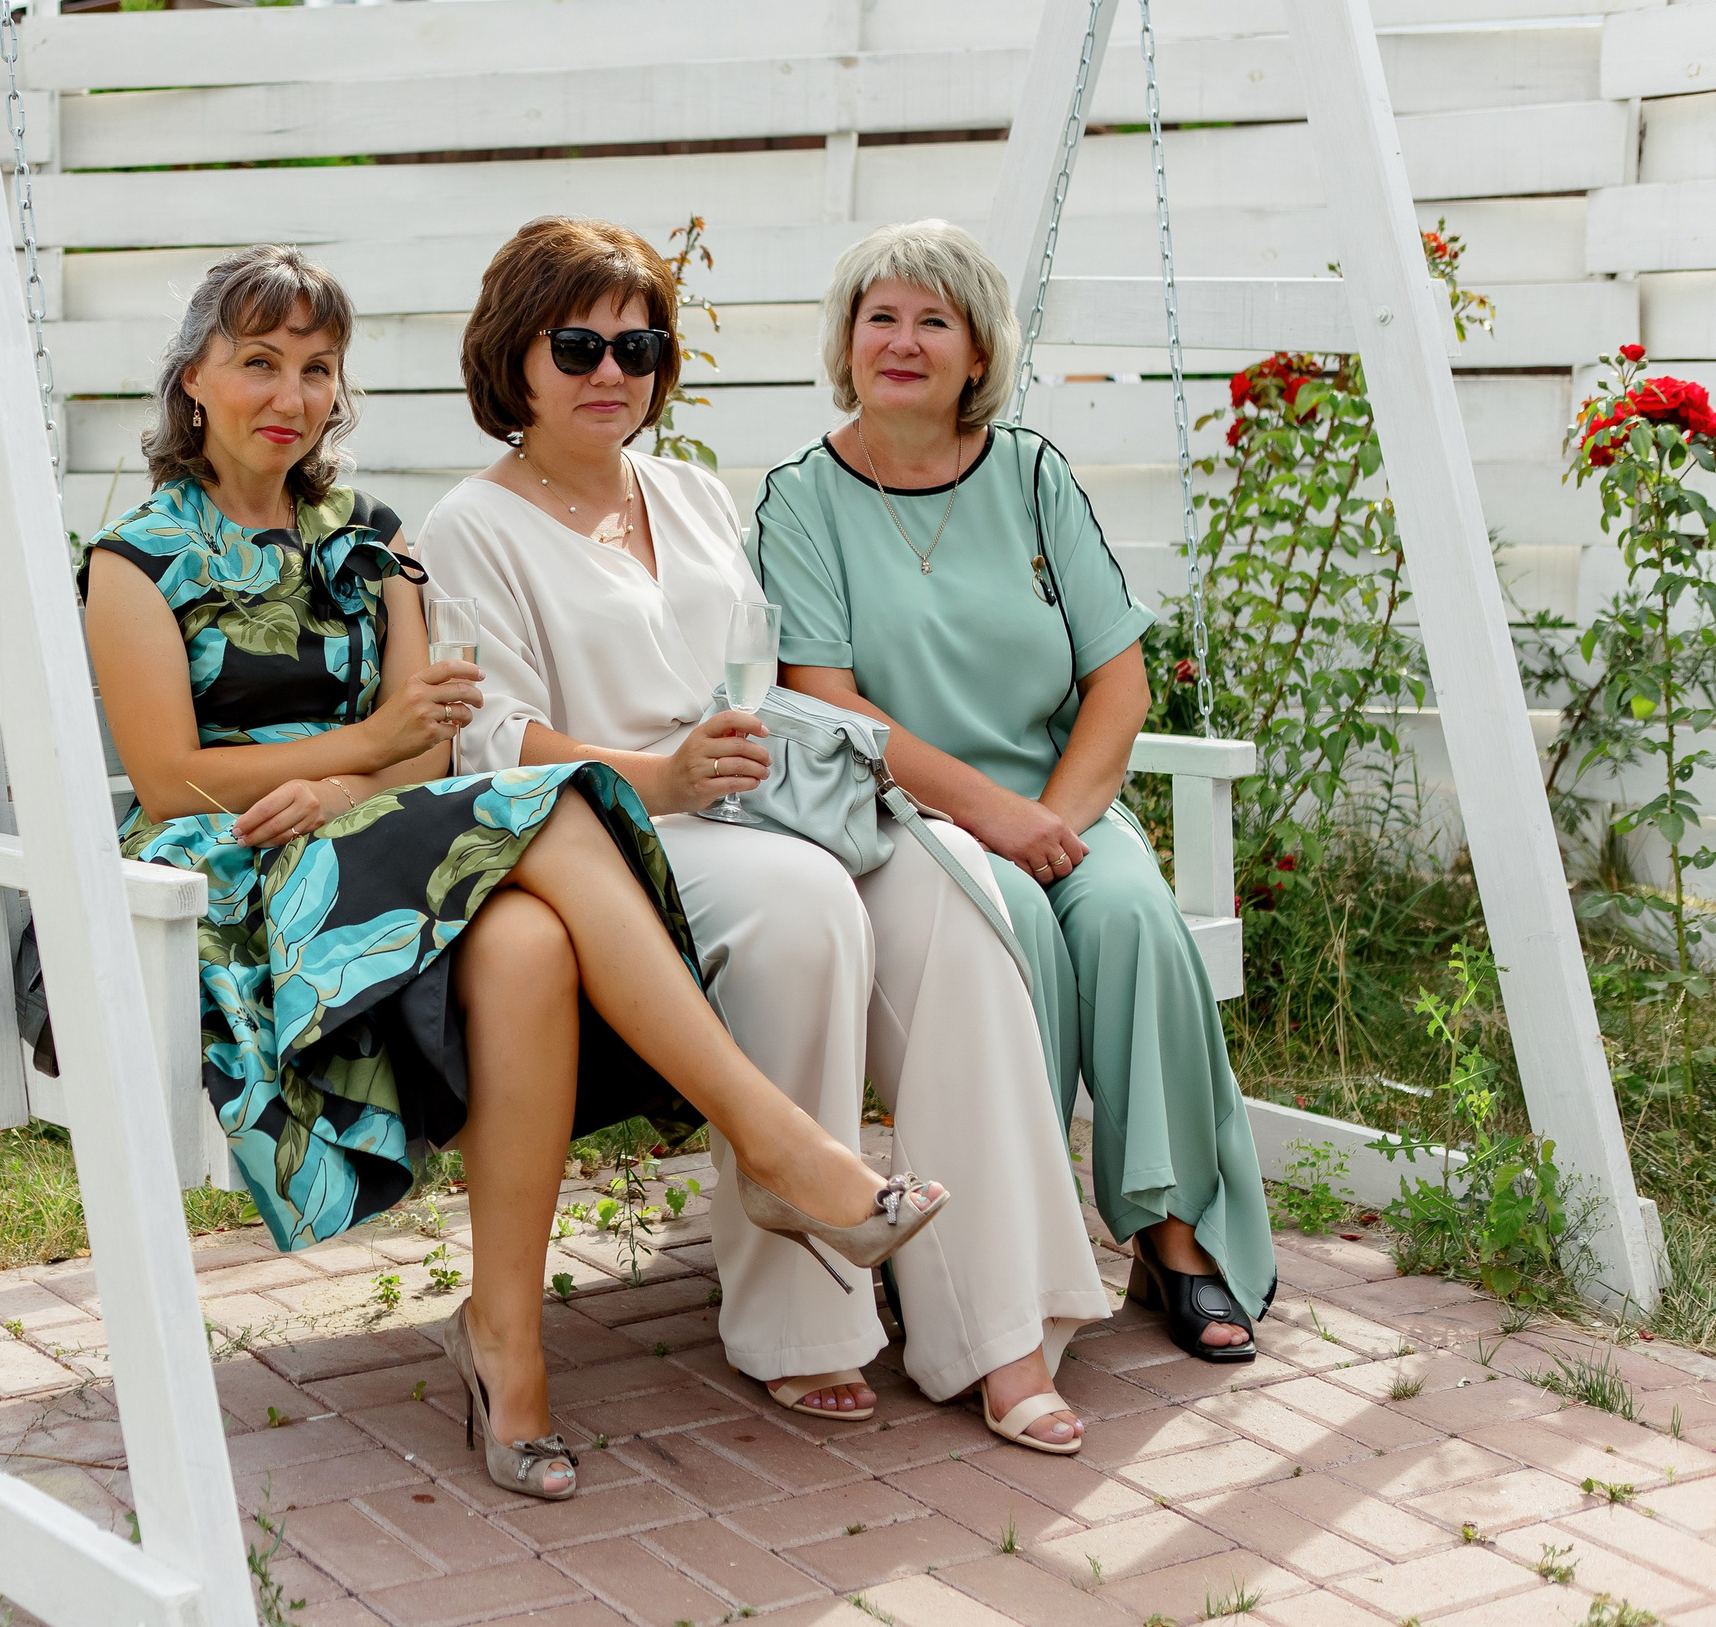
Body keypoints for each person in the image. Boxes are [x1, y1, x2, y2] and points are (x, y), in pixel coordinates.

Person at [83, 244, 945, 1504]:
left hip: (381, 833)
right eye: (258, 362)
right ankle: (774, 1144)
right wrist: (365, 754)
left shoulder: (371, 543)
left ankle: (505, 1338)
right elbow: (171, 779)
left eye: (317, 368)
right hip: (241, 867)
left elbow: (430, 746)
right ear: (193, 380)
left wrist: (360, 778)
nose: (291, 394)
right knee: (558, 800)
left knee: (532, 939)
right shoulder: (133, 560)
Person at [416, 218, 1106, 1453]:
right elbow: (490, 741)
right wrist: (663, 773)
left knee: (955, 888)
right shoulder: (469, 524)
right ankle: (800, 1320)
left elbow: (759, 674)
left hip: (755, 797)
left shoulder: (688, 493)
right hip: (609, 827)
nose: (610, 372)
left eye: (638, 347)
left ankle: (998, 1325)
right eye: (577, 346)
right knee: (802, 905)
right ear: (513, 354)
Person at [749, 217, 1276, 1362]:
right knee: (1016, 922)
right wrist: (995, 822)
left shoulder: (1032, 475)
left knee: (1130, 914)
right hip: (905, 817)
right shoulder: (801, 497)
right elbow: (828, 702)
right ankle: (992, 1252)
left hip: (1056, 800)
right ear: (846, 340)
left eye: (932, 321)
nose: (902, 341)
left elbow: (1118, 678)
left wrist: (1057, 822)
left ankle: (1171, 1235)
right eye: (880, 318)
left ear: (977, 351)